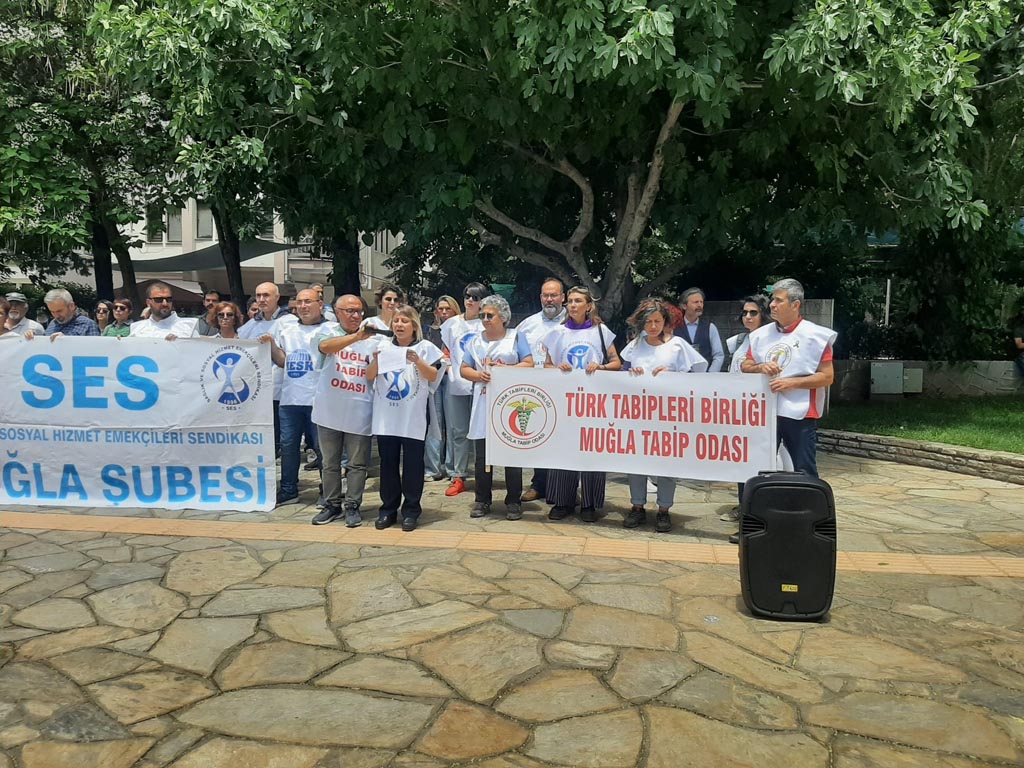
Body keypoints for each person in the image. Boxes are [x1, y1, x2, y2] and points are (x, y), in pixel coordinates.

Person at [740, 278, 836, 508]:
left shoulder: (816, 336)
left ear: (795, 304)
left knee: (804, 469)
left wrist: (792, 383)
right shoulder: (760, 335)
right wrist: (760, 367)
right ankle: (750, 515)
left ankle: (809, 516)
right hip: (764, 412)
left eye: (778, 300)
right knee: (752, 465)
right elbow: (746, 365)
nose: (772, 305)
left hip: (799, 413)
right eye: (772, 299)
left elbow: (827, 377)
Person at [620, 298, 708, 532]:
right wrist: (631, 372)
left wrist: (674, 374)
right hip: (638, 413)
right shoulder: (635, 345)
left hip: (669, 415)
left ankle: (663, 510)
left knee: (667, 462)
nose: (652, 326)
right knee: (636, 461)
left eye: (657, 321)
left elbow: (700, 373)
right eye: (648, 322)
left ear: (665, 322)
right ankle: (637, 506)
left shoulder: (678, 345)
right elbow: (622, 372)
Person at [543, 285, 622, 522]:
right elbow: (546, 365)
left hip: (593, 402)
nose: (573, 305)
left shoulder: (601, 331)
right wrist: (557, 367)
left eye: (578, 301)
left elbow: (616, 362)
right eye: (570, 301)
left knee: (591, 448)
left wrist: (601, 366)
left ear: (588, 306)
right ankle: (562, 500)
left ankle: (589, 503)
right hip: (564, 401)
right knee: (562, 449)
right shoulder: (557, 333)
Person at [367, 304, 443, 532]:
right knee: (388, 464)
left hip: (413, 416)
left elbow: (433, 376)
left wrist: (418, 361)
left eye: (404, 321)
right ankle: (388, 509)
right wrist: (376, 361)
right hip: (387, 416)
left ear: (414, 326)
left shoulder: (426, 348)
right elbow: (369, 376)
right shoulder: (381, 346)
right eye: (396, 321)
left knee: (413, 465)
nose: (399, 325)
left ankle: (411, 510)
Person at [461, 295, 533, 520]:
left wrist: (505, 370)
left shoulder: (515, 337)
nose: (485, 319)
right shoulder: (475, 341)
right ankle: (482, 499)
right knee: (482, 454)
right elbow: (464, 368)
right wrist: (478, 375)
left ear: (502, 317)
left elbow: (529, 363)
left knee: (511, 451)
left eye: (489, 315)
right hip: (483, 401)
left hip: (509, 401)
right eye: (482, 315)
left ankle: (513, 500)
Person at [310, 294, 379, 527]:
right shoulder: (327, 331)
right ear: (337, 312)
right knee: (330, 462)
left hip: (359, 409)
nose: (355, 315)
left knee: (357, 464)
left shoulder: (373, 338)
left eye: (359, 311)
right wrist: (356, 337)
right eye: (350, 311)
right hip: (329, 409)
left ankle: (352, 505)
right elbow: (325, 347)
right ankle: (331, 504)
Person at [261, 288, 327, 506]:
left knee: (323, 449)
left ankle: (328, 490)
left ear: (320, 304)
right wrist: (271, 345)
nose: (303, 306)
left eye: (308, 301)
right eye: (299, 302)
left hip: (319, 400)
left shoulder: (331, 329)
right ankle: (289, 490)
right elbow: (283, 361)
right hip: (290, 399)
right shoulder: (287, 329)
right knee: (288, 447)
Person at [515, 277, 567, 502]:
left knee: (564, 441)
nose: (549, 299)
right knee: (540, 438)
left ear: (563, 297)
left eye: (554, 295)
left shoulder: (573, 322)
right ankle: (538, 485)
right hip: (536, 390)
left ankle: (564, 488)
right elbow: (516, 352)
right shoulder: (527, 324)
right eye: (546, 295)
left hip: (566, 390)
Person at [440, 282, 488, 497]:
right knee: (458, 431)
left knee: (481, 433)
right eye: (467, 296)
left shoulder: (487, 323)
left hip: (482, 383)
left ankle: (483, 475)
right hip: (458, 383)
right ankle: (458, 475)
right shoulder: (451, 324)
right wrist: (449, 368)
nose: (470, 300)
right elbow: (446, 350)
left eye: (475, 297)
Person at [239, 282, 299, 454]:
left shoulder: (290, 322)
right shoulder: (251, 325)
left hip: (280, 391)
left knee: (281, 440)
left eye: (266, 295)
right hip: (255, 391)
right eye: (258, 295)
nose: (261, 299)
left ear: (277, 297)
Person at [424, 295, 460, 482]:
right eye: (441, 309)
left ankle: (453, 468)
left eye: (448, 309)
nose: (444, 312)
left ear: (455, 310)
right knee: (434, 423)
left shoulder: (461, 329)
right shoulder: (429, 332)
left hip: (453, 378)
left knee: (453, 424)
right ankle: (432, 469)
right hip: (434, 378)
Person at [674, 287, 725, 372]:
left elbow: (718, 355)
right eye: (696, 302)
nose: (699, 305)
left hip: (704, 377)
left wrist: (710, 374)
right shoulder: (674, 327)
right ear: (684, 306)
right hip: (680, 376)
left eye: (701, 302)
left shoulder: (710, 327)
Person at [130, 283, 199, 339]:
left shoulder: (188, 326)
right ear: (148, 303)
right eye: (159, 300)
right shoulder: (137, 328)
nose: (165, 304)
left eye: (168, 299)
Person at [27, 289, 100, 338]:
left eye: (59, 311)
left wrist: (66, 341)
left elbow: (95, 351)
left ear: (71, 306)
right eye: (52, 312)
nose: (56, 316)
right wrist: (33, 338)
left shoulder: (88, 325)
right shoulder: (52, 324)